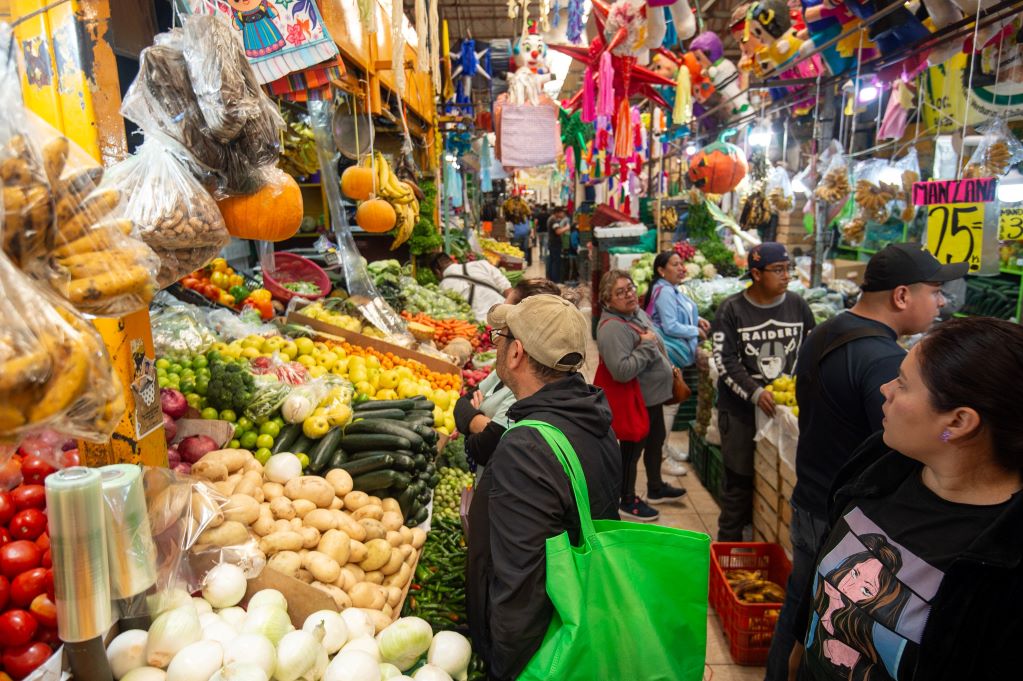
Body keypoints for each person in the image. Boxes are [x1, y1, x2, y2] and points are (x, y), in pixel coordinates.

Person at [764, 243, 966, 681]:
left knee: (803, 604)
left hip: (812, 495)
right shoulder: (883, 362)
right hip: (848, 518)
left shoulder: (829, 329)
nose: (941, 302)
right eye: (934, 292)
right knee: (820, 616)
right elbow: (903, 452)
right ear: (901, 296)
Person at [789, 317, 1023, 680]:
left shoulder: (1003, 560)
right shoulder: (881, 464)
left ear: (959, 422)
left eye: (902, 382)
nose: (885, 389)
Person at [466, 294, 622, 681]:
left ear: (516, 352)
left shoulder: (527, 449)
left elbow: (521, 590)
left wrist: (504, 670)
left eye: (499, 337)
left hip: (547, 652)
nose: (496, 345)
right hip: (582, 623)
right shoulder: (592, 416)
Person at [711, 242, 815, 541]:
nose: (787, 276)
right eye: (778, 270)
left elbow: (809, 349)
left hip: (784, 415)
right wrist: (755, 393)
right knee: (739, 484)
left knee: (776, 483)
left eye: (788, 269)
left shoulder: (798, 305)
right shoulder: (732, 310)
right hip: (742, 413)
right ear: (756, 273)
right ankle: (728, 549)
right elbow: (724, 360)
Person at [597, 269, 686, 522]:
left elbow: (656, 343)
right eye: (620, 292)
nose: (629, 295)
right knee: (631, 452)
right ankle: (626, 499)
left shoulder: (636, 314)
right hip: (636, 402)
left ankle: (655, 487)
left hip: (653, 398)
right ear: (607, 300)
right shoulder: (612, 329)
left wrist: (667, 366)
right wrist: (647, 346)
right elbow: (621, 371)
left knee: (656, 442)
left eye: (631, 288)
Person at [453, 278, 563, 474]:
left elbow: (484, 448)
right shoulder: (505, 370)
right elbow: (461, 404)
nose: (496, 339)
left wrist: (471, 419)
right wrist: (481, 421)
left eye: (502, 329)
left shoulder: (526, 386)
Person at [644, 250, 712, 476]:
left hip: (670, 355)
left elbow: (677, 315)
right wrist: (696, 330)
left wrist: (696, 318)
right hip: (667, 356)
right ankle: (661, 454)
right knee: (670, 404)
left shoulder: (670, 289)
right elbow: (671, 326)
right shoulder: (663, 291)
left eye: (682, 263)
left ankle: (664, 446)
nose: (681, 268)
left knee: (670, 403)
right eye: (675, 264)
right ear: (661, 270)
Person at [430, 252, 512, 323]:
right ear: (452, 260)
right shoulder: (481, 264)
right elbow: (508, 290)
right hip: (506, 315)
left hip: (483, 328)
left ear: (437, 272)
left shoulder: (443, 286)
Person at [546, 207, 570, 283]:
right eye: (562, 212)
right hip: (555, 244)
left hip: (552, 243)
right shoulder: (553, 220)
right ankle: (555, 280)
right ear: (557, 213)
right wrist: (567, 228)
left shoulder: (552, 219)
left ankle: (551, 278)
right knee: (556, 262)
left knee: (552, 261)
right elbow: (558, 232)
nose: (563, 214)